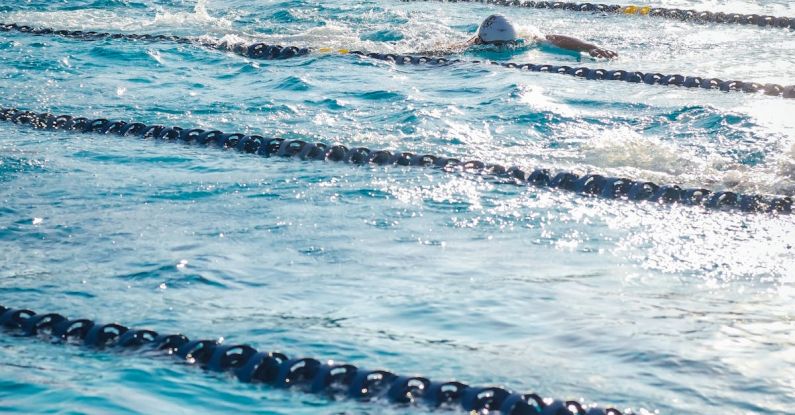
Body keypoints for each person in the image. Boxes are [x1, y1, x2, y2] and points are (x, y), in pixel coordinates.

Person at [430, 14, 618, 59]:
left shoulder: (525, 36)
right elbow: (439, 52)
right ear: (481, 41)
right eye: (496, 44)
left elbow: (555, 38)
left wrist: (589, 46)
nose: (502, 49)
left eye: (508, 44)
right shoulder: (471, 45)